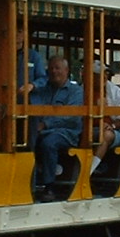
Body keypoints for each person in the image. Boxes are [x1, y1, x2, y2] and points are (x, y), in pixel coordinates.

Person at [30, 56, 83, 198]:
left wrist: (46, 124)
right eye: (51, 68)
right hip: (41, 130)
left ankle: (49, 186)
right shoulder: (44, 89)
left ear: (66, 70)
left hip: (67, 133)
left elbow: (70, 116)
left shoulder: (76, 91)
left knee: (49, 143)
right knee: (26, 141)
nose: (54, 71)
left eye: (57, 68)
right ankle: (29, 183)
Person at [91, 62, 120, 173]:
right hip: (89, 127)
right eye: (98, 75)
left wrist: (112, 126)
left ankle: (90, 171)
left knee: (106, 135)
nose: (103, 77)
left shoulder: (115, 91)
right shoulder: (82, 90)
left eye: (105, 74)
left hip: (114, 131)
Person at [17, 28, 47, 96]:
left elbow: (43, 79)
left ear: (25, 35)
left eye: (19, 31)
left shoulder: (33, 56)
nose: (16, 34)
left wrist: (32, 85)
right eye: (13, 30)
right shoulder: (3, 55)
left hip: (27, 101)